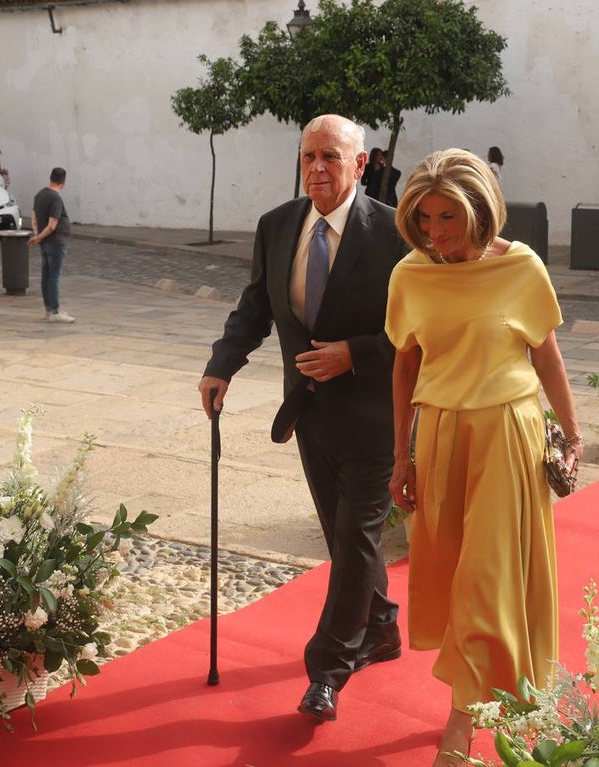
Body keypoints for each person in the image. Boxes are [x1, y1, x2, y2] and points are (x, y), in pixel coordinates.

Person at [199, 114, 406, 724]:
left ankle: (328, 671)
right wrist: (222, 365)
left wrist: (356, 353)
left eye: (331, 158)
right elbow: (256, 306)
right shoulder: (277, 225)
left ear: (361, 164)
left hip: (375, 417)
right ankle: (384, 627)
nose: (317, 168)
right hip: (311, 416)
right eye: (308, 156)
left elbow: (420, 333)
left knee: (354, 539)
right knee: (344, 540)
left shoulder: (395, 234)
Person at [385, 148, 583, 767]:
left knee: (485, 577)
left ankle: (461, 720)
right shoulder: (410, 275)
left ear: (480, 211)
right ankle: (497, 686)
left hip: (508, 436)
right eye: (425, 220)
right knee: (452, 571)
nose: (437, 234)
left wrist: (572, 436)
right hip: (441, 436)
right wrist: (401, 455)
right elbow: (405, 364)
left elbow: (547, 356)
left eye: (448, 218)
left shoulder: (520, 266)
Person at [28, 167, 75, 323]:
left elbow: (34, 216)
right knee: (53, 277)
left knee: (46, 275)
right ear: (64, 180)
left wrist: (37, 236)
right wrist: (39, 237)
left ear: (50, 177)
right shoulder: (55, 198)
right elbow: (52, 225)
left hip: (45, 242)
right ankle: (54, 311)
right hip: (55, 242)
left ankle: (49, 309)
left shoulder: (39, 195)